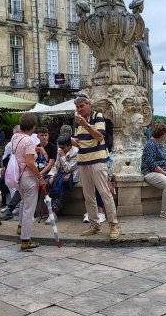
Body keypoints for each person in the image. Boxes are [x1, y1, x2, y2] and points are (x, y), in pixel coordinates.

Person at [71, 94, 120, 241]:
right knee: (88, 195)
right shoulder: (77, 122)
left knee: (105, 193)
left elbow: (99, 137)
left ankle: (114, 225)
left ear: (89, 104)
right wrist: (75, 142)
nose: (79, 109)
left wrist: (85, 124)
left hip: (98, 160)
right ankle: (94, 224)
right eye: (77, 107)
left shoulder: (98, 116)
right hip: (83, 160)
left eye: (82, 106)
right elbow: (81, 141)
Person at [10, 113, 47, 251]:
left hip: (17, 177)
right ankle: (25, 240)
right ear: (33, 127)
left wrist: (38, 149)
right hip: (28, 178)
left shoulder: (15, 137)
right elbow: (31, 163)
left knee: (23, 203)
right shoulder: (30, 141)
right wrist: (40, 178)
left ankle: (20, 228)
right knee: (29, 210)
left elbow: (21, 152)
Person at [44, 133, 79, 221]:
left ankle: (53, 213)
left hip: (71, 175)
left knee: (59, 185)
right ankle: (49, 211)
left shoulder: (76, 152)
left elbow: (68, 168)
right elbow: (55, 165)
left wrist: (63, 156)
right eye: (60, 147)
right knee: (48, 182)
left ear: (69, 145)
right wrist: (51, 175)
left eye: (63, 147)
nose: (61, 149)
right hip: (59, 174)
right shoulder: (60, 150)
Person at [0, 125, 20, 208]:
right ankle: (6, 201)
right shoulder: (9, 145)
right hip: (11, 169)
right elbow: (4, 159)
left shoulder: (28, 142)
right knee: (2, 181)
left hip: (22, 169)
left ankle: (14, 204)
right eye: (15, 133)